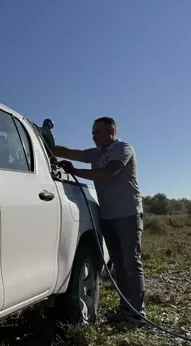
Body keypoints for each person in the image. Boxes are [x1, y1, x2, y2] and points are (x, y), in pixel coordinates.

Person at [54, 117, 146, 329]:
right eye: (93, 132)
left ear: (111, 131)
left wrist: (75, 172)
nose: (93, 136)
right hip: (108, 216)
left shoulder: (122, 148)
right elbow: (70, 152)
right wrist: (46, 142)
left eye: (97, 132)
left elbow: (109, 172)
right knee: (119, 266)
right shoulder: (96, 153)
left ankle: (138, 315)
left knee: (131, 264)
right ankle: (126, 309)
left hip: (128, 215)